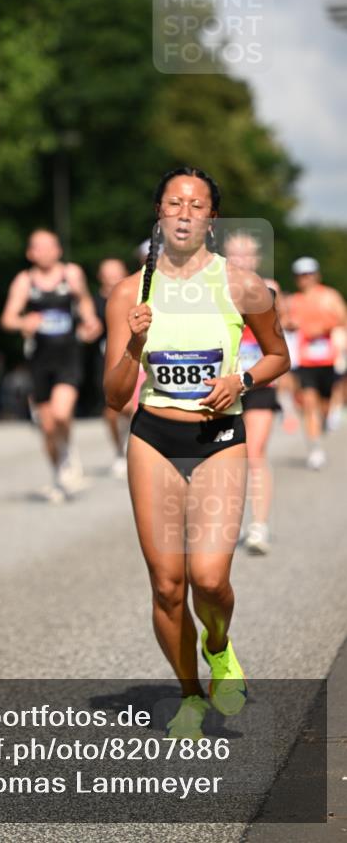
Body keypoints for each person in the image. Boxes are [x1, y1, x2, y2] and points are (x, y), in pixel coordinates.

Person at [104, 167, 289, 740]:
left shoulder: (242, 286)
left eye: (197, 205)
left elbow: (280, 355)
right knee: (166, 584)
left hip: (217, 441)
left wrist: (244, 380)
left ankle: (219, 645)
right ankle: (189, 693)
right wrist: (134, 345)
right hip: (154, 439)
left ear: (212, 218)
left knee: (209, 579)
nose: (184, 213)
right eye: (173, 203)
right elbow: (114, 398)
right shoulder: (128, 292)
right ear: (158, 213)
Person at [0, 230, 102, 501]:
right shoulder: (25, 281)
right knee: (46, 426)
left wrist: (90, 321)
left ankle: (67, 451)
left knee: (60, 413)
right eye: (38, 248)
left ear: (58, 250)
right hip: (39, 360)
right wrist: (24, 323)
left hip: (68, 355)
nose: (44, 252)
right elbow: (8, 318)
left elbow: (84, 302)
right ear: (30, 253)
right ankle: (58, 473)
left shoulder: (72, 274)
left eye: (50, 246)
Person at [224, 233, 283, 555]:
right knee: (227, 456)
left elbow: (278, 336)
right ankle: (226, 523)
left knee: (255, 451)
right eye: (235, 254)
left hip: (259, 380)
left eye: (247, 255)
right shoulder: (213, 287)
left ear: (257, 259)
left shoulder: (270, 286)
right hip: (224, 381)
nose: (242, 260)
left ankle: (258, 526)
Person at [287, 257, 347, 470]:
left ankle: (326, 419)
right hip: (305, 362)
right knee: (309, 402)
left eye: (309, 274)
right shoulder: (293, 301)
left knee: (323, 406)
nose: (305, 279)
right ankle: (315, 450)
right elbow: (284, 322)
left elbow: (342, 319)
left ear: (316, 275)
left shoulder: (329, 296)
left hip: (328, 360)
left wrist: (322, 327)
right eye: (301, 275)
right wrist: (291, 325)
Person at [93, 258, 130, 479]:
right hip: (105, 359)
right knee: (113, 411)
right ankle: (119, 450)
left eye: (115, 272)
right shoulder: (95, 301)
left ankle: (134, 447)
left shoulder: (134, 294)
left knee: (133, 407)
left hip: (134, 356)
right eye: (107, 273)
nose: (111, 277)